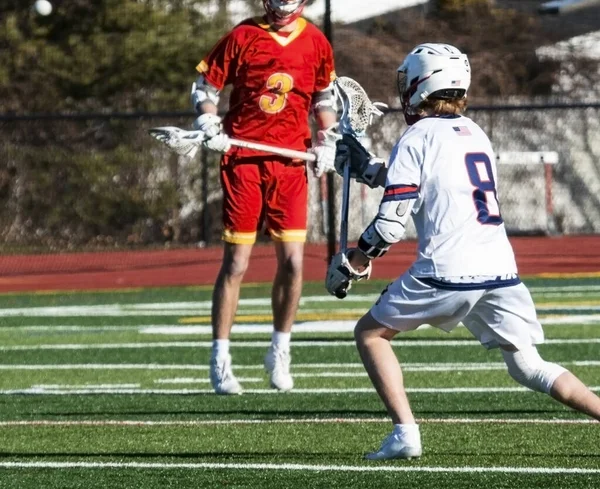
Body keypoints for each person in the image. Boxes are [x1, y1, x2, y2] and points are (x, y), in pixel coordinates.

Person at [326, 43, 600, 460]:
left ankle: (405, 434)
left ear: (421, 85)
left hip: (445, 270)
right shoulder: (475, 133)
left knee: (370, 334)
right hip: (499, 268)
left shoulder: (416, 136)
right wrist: (367, 167)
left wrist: (355, 261)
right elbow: (427, 180)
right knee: (527, 365)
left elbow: (389, 225)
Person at [192, 0, 338, 395]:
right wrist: (208, 119)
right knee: (237, 262)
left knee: (293, 262)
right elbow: (205, 87)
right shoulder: (243, 36)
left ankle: (279, 350)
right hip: (244, 159)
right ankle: (220, 358)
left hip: (290, 163)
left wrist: (328, 138)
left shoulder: (317, 43)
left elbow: (324, 97)